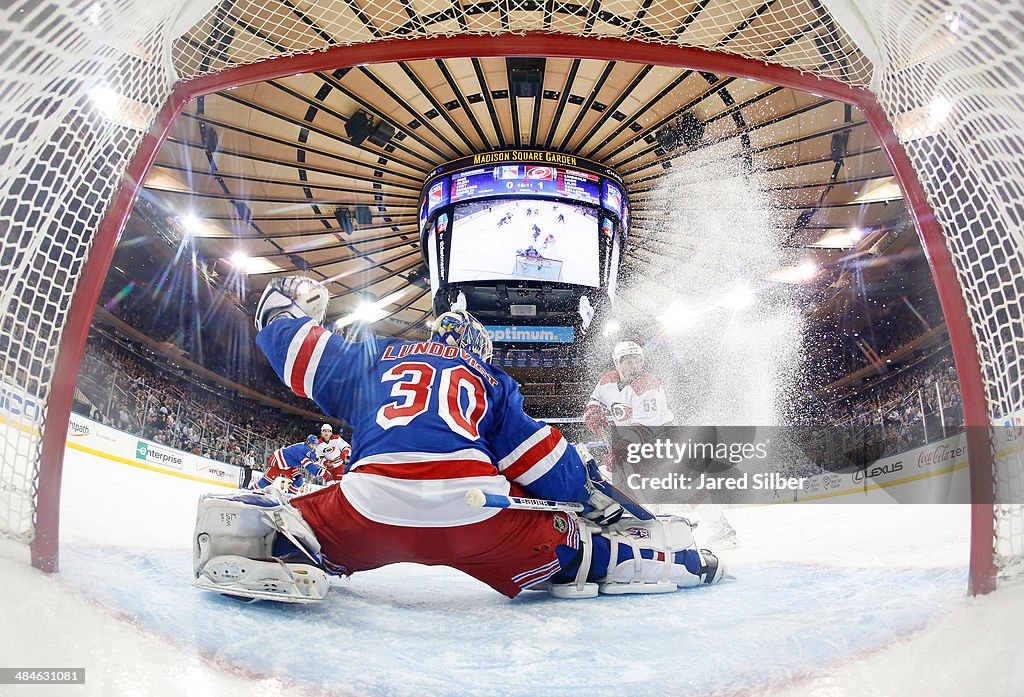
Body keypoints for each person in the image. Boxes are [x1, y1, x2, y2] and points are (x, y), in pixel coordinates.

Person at [192, 276, 727, 603]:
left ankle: (274, 544)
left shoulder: (376, 355)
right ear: (478, 348)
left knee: (301, 521)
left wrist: (287, 306)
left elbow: (292, 347)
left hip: (371, 505)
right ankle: (666, 562)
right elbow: (544, 463)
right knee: (571, 548)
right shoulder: (490, 379)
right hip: (473, 513)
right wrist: (590, 497)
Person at [583, 340, 739, 548]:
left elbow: (644, 428)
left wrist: (619, 451)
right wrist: (592, 410)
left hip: (662, 437)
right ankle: (651, 530)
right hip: (634, 442)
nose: (633, 365)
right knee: (616, 481)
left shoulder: (647, 384)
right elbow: (596, 399)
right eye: (626, 361)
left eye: (636, 360)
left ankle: (723, 531)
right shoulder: (607, 381)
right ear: (616, 364)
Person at [252, 434, 321, 495]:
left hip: (288, 466)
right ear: (308, 443)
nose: (313, 447)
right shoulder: (303, 448)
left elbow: (313, 455)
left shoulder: (308, 449)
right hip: (278, 461)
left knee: (299, 481)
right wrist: (319, 470)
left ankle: (289, 496)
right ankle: (251, 490)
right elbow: (309, 462)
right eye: (312, 444)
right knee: (265, 482)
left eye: (315, 445)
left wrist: (320, 459)